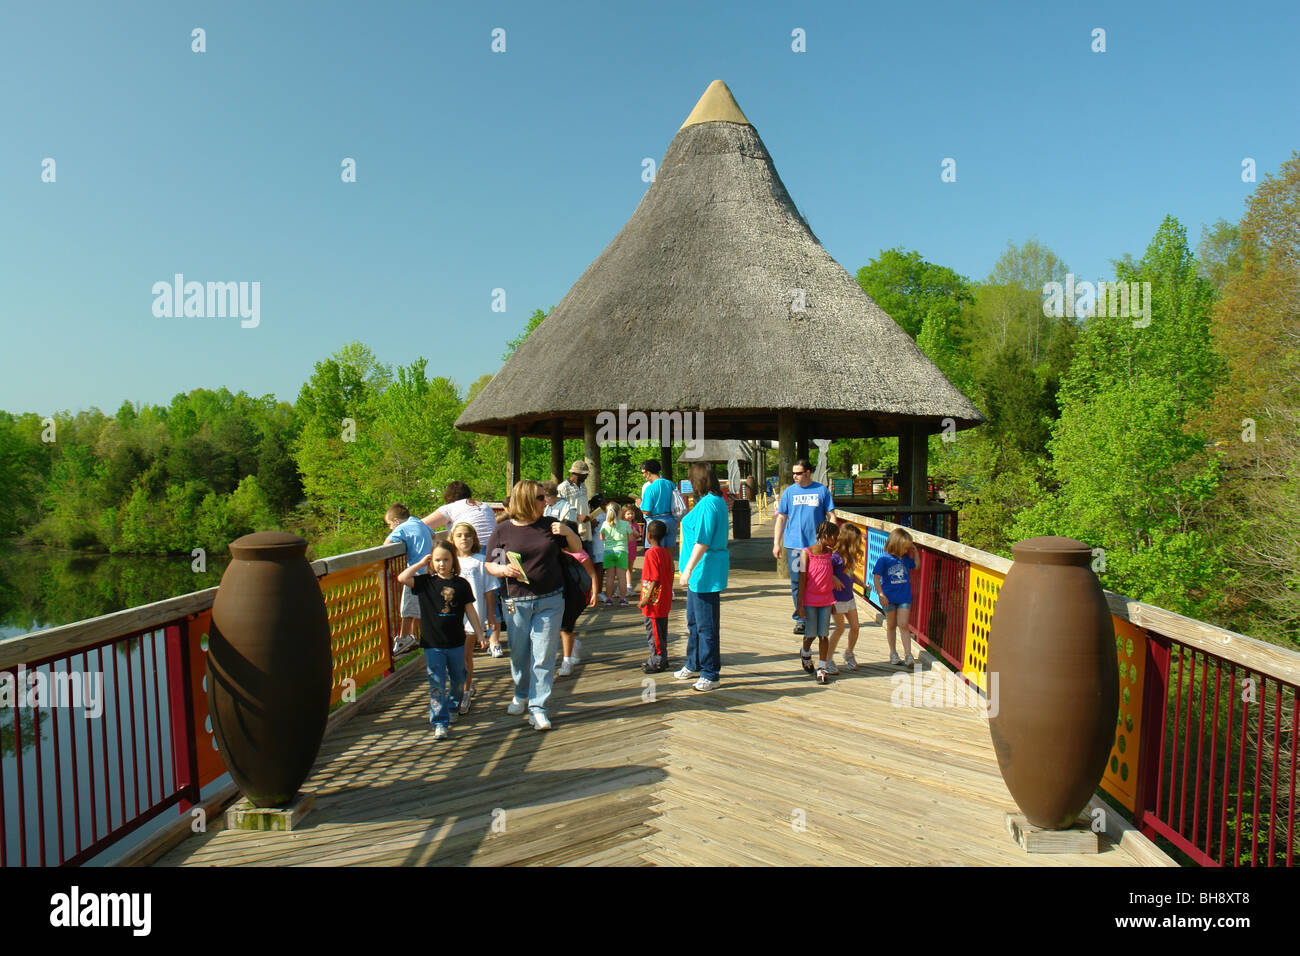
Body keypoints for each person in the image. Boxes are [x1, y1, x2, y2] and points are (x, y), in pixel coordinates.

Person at [485, 480, 582, 731]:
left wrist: (569, 532)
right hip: (516, 600)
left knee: (544, 655)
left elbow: (577, 548)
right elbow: (490, 564)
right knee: (519, 653)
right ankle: (521, 693)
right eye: (540, 497)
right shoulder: (503, 530)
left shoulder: (549, 526)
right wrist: (503, 569)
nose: (545, 501)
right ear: (526, 500)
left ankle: (538, 707)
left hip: (550, 598)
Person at [397, 540, 484, 740]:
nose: (442, 564)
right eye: (437, 560)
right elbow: (403, 578)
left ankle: (453, 705)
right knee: (436, 681)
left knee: (459, 678)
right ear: (432, 561)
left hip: (456, 641)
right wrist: (420, 564)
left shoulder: (461, 584)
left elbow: (469, 609)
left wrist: (479, 633)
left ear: (453, 560)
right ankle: (439, 720)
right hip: (432, 643)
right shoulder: (425, 582)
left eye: (446, 559)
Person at [676, 463, 729, 692]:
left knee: (706, 626)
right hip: (699, 573)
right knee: (694, 621)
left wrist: (687, 569)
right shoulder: (710, 500)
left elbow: (703, 540)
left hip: (704, 571)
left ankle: (710, 672)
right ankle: (693, 663)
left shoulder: (709, 504)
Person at [772, 458, 835, 636]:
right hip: (795, 547)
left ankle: (818, 615)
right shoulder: (789, 492)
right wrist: (777, 543)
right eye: (793, 473)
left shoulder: (821, 490)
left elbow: (831, 516)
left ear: (808, 473)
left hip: (817, 548)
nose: (794, 476)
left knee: (818, 582)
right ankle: (801, 618)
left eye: (798, 473)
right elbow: (781, 518)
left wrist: (833, 539)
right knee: (797, 582)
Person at [450, 522, 498, 707]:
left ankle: (466, 690)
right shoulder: (449, 560)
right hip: (452, 616)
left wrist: (492, 616)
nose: (464, 539)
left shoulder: (480, 560)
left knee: (464, 655)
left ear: (474, 539)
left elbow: (489, 590)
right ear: (452, 539)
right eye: (460, 535)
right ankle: (461, 686)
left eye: (468, 535)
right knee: (454, 656)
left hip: (474, 616)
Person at [383, 503, 433, 656]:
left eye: (390, 524)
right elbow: (434, 536)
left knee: (407, 607)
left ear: (396, 521)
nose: (391, 528)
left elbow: (386, 545)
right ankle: (413, 637)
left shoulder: (401, 528)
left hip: (417, 572)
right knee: (418, 607)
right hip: (430, 570)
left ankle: (404, 638)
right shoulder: (418, 522)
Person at [797, 520, 840, 684]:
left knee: (824, 634)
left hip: (826, 599)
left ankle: (821, 667)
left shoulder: (829, 553)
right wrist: (800, 604)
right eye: (833, 538)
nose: (835, 541)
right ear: (824, 535)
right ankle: (805, 651)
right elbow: (802, 579)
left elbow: (830, 576)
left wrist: (833, 601)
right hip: (810, 600)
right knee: (811, 633)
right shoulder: (806, 552)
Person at [873, 528, 919, 667]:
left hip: (904, 596)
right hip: (888, 597)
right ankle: (893, 653)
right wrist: (880, 594)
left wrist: (915, 552)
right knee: (891, 625)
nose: (907, 551)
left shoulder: (905, 559)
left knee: (904, 625)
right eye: (905, 548)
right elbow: (876, 578)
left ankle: (908, 655)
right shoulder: (884, 558)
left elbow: (916, 566)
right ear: (897, 545)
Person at [557, 541, 598, 677]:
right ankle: (573, 644)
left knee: (566, 627)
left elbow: (592, 573)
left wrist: (595, 593)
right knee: (561, 627)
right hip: (561, 595)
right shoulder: (555, 554)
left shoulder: (580, 554)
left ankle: (567, 661)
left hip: (578, 595)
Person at [638, 519, 674, 672]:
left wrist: (645, 599)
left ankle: (657, 660)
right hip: (664, 598)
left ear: (649, 535)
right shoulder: (665, 553)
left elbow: (654, 578)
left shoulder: (651, 554)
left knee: (654, 633)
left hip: (654, 601)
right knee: (661, 631)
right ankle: (660, 658)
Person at [828, 523, 864, 670]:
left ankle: (849, 652)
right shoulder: (835, 557)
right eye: (856, 540)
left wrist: (860, 582)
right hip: (837, 598)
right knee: (839, 628)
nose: (859, 544)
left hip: (849, 597)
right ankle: (828, 659)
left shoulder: (850, 556)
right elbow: (823, 571)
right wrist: (833, 578)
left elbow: (848, 574)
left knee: (855, 627)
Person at [422, 481, 497, 551]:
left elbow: (419, 525)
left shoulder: (451, 508)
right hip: (495, 550)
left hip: (472, 551)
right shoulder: (486, 506)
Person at [638, 460, 678, 549]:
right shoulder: (670, 484)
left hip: (656, 525)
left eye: (643, 473)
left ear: (648, 472)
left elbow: (647, 511)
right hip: (671, 521)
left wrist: (640, 505)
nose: (643, 475)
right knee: (668, 557)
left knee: (656, 555)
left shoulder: (650, 488)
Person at [556, 461, 594, 553]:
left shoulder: (584, 486)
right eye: (584, 474)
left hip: (586, 530)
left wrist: (590, 519)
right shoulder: (563, 487)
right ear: (576, 473)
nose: (586, 476)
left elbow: (582, 505)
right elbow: (559, 508)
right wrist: (578, 516)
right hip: (572, 531)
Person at [599, 502, 631, 606]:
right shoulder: (625, 524)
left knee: (609, 577)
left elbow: (601, 537)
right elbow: (630, 538)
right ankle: (622, 599)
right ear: (619, 512)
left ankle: (608, 598)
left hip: (608, 552)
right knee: (622, 577)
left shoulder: (604, 524)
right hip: (621, 552)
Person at [588, 494, 607, 602]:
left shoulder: (605, 515)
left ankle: (597, 591)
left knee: (601, 569)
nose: (605, 505)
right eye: (603, 504)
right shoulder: (594, 516)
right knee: (597, 569)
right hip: (596, 545)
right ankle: (596, 591)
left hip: (603, 545)